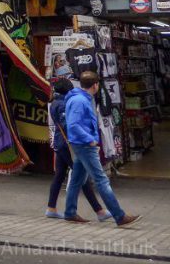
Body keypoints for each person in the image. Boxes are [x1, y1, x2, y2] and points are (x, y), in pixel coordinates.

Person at [63, 71, 138, 227]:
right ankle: (119, 216)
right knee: (101, 180)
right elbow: (73, 125)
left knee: (77, 179)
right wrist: (90, 140)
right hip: (84, 145)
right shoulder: (80, 101)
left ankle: (70, 212)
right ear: (95, 85)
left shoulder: (79, 98)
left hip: (80, 144)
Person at [46, 78, 110, 221]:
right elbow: (68, 125)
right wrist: (84, 138)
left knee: (60, 175)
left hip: (60, 143)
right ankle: (99, 210)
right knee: (81, 177)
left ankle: (51, 208)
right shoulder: (63, 104)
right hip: (67, 145)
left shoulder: (54, 103)